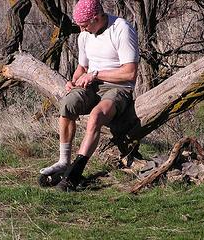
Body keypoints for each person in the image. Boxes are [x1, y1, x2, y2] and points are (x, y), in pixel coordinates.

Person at [40, 0, 139, 191]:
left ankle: (74, 174)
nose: (81, 29)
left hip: (119, 88)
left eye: (84, 25)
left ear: (97, 18)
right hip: (91, 84)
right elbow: (83, 67)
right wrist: (74, 80)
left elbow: (130, 73)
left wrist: (95, 75)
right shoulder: (84, 35)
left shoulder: (121, 29)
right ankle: (63, 161)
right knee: (68, 104)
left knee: (96, 117)